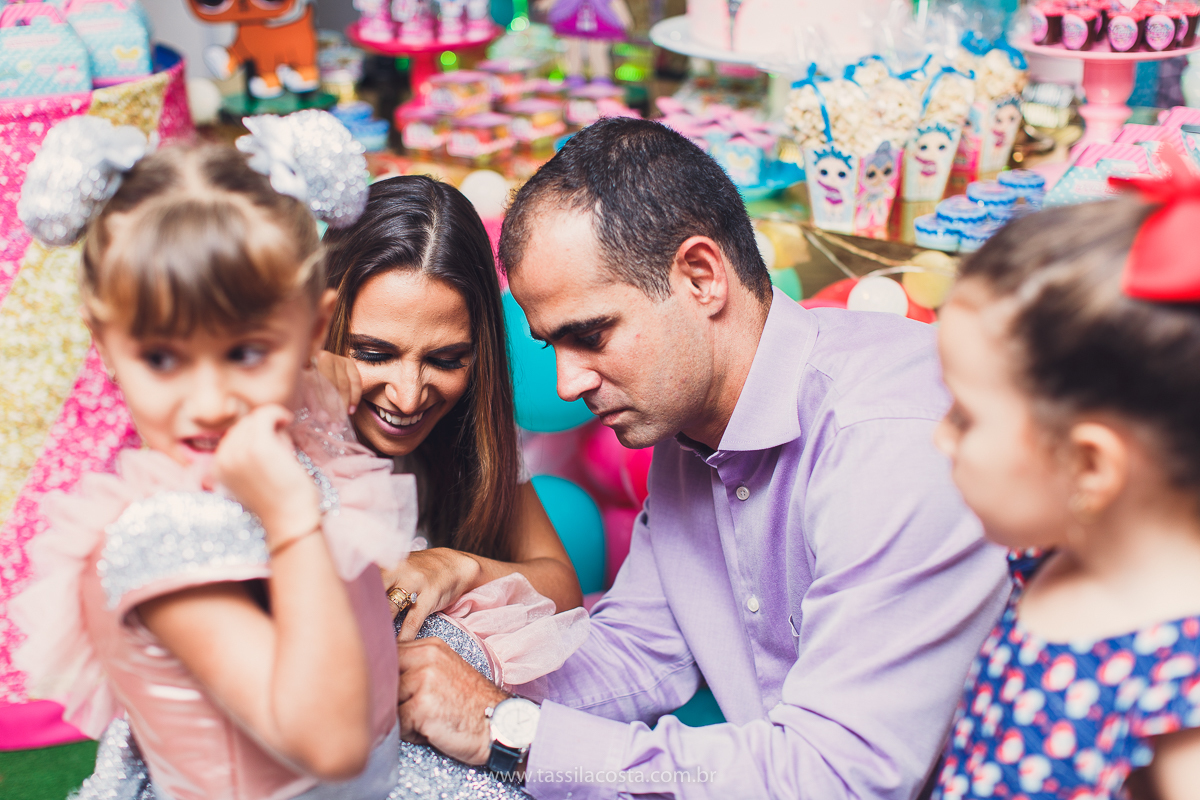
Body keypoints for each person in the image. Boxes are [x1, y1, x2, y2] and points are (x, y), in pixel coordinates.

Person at [391, 116, 1011, 799]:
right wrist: (455, 674)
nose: (568, 384)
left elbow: (838, 775)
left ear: (700, 276)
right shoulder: (694, 421)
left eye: (591, 334)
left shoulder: (886, 440)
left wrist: (507, 730)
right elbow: (644, 649)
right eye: (552, 347)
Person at [11, 113, 550, 800]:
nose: (208, 401)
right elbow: (331, 741)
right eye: (161, 358)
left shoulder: (309, 418)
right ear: (106, 344)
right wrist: (293, 520)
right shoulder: (161, 542)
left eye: (244, 353)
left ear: (310, 332)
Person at [931, 179, 1200, 797]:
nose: (940, 438)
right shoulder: (1053, 553)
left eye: (964, 416)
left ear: (1089, 465)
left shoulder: (1176, 694)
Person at [317, 176, 582, 640]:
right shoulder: (271, 432)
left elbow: (562, 588)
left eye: (445, 360)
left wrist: (458, 568)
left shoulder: (468, 431)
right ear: (320, 323)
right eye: (374, 355)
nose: (408, 396)